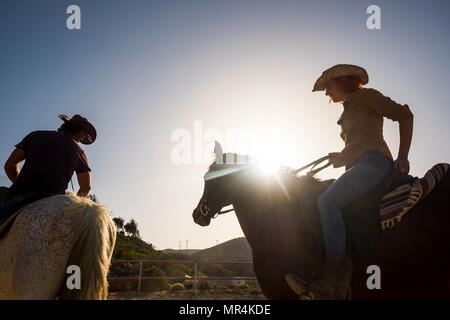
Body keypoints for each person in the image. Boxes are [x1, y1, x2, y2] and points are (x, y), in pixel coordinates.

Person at [286, 64, 414, 299]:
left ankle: (334, 284)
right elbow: (358, 144)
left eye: (329, 86)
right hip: (357, 165)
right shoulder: (346, 112)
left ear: (345, 80)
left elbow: (404, 115)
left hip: (374, 163)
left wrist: (403, 155)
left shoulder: (366, 96)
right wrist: (341, 156)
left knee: (327, 202)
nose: (327, 93)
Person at [0, 114, 96, 225]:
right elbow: (86, 187)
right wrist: (73, 208)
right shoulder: (79, 151)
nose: (80, 141)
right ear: (79, 134)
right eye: (82, 137)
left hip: (20, 197)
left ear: (64, 126)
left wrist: (21, 185)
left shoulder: (35, 135)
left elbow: (9, 166)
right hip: (55, 203)